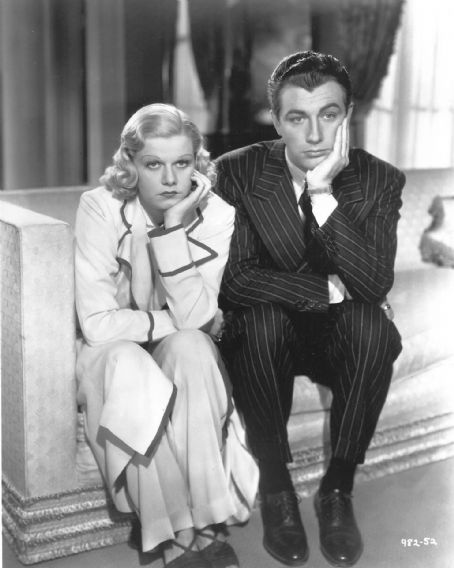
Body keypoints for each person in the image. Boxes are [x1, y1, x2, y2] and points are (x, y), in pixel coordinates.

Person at [215, 50, 404, 567]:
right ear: (277, 122)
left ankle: (337, 489)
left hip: (336, 337)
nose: (316, 135)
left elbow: (373, 284)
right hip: (267, 335)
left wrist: (322, 193)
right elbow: (235, 282)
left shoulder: (379, 179)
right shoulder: (237, 172)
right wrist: (328, 290)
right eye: (298, 118)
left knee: (374, 328)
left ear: (349, 116)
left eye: (329, 115)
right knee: (259, 321)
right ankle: (276, 488)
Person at [74, 103, 258, 568]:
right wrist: (178, 322)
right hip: (110, 355)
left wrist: (174, 226)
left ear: (196, 165)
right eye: (154, 164)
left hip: (170, 345)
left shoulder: (217, 215)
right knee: (131, 360)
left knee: (193, 347)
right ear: (130, 164)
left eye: (182, 163)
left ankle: (205, 519)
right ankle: (172, 532)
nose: (170, 179)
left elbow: (196, 322)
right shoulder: (100, 206)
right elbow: (97, 324)